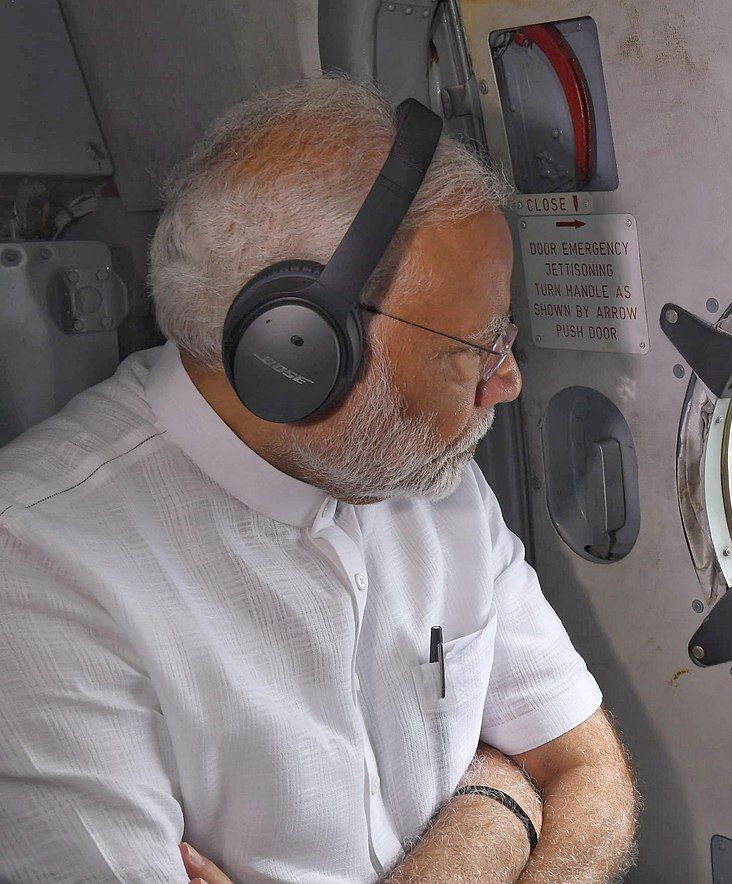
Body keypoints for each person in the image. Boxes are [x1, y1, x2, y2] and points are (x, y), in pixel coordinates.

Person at [0, 77, 638, 883]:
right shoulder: (34, 573)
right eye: (476, 346)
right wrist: (502, 789)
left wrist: (495, 808)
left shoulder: (428, 475)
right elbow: (535, 766)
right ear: (299, 349)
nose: (506, 382)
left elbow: (584, 769)